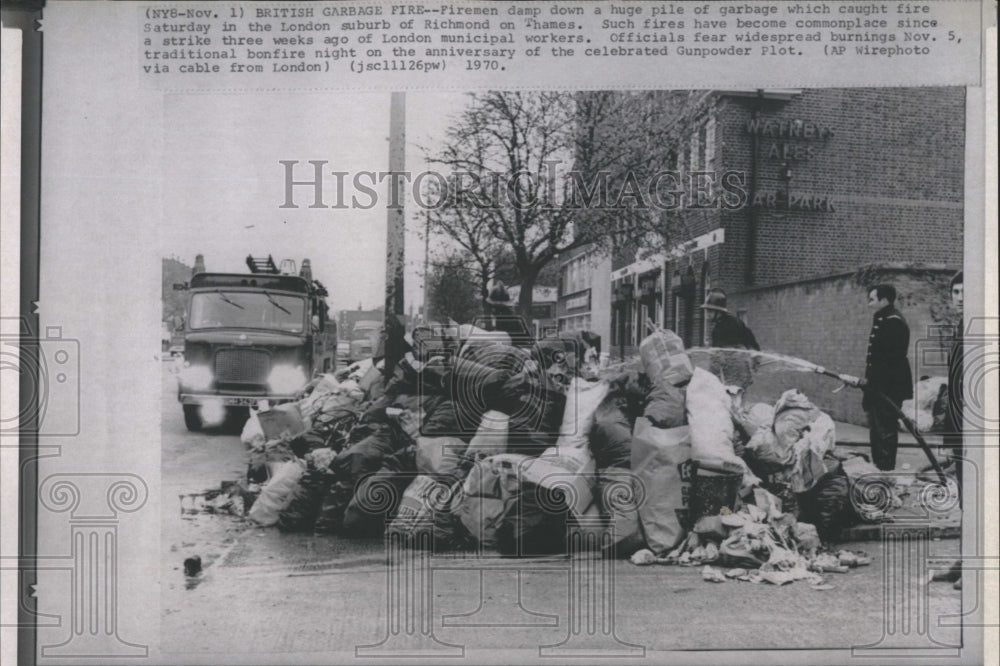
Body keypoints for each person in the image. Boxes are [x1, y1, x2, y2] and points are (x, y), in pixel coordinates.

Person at [861, 284, 913, 471]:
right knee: (876, 429)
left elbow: (889, 360)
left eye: (872, 299)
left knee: (885, 429)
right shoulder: (883, 318)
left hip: (888, 387)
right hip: (878, 386)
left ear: (884, 301)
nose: (869, 304)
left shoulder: (893, 321)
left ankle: (885, 469)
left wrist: (873, 385)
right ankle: (878, 467)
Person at [699, 288, 760, 389]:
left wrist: (710, 378)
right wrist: (755, 360)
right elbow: (752, 342)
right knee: (739, 398)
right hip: (744, 371)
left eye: (710, 311)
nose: (707, 315)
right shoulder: (736, 321)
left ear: (718, 311)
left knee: (731, 398)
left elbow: (717, 357)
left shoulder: (719, 329)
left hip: (733, 374)